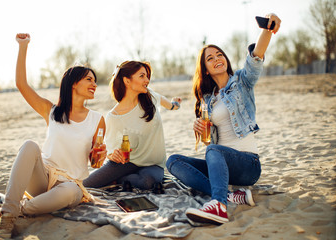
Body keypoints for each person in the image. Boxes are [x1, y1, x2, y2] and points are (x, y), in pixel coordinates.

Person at [0, 33, 107, 238]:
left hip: (69, 186)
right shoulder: (51, 111)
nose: (94, 84)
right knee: (30, 145)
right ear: (74, 83)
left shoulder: (97, 120)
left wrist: (100, 156)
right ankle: (7, 219)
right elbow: (21, 84)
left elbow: (95, 164)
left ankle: (13, 210)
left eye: (95, 80)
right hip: (43, 178)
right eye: (89, 79)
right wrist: (23, 47)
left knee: (71, 191)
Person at [166, 14, 281, 225]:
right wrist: (202, 132)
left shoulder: (241, 81)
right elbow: (212, 144)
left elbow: (256, 57)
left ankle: (218, 205)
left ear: (225, 59)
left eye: (219, 55)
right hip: (223, 166)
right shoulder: (208, 101)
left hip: (247, 165)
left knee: (213, 151)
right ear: (206, 70)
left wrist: (267, 29)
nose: (216, 59)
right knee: (173, 161)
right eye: (210, 58)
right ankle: (230, 195)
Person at [83, 61, 181, 190]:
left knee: (149, 182)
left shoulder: (150, 97)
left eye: (147, 76)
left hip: (153, 163)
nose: (147, 80)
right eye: (142, 76)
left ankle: (119, 178)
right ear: (127, 81)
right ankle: (118, 176)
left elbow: (169, 104)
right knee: (87, 184)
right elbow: (111, 150)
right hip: (127, 162)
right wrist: (113, 155)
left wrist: (176, 104)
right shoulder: (114, 117)